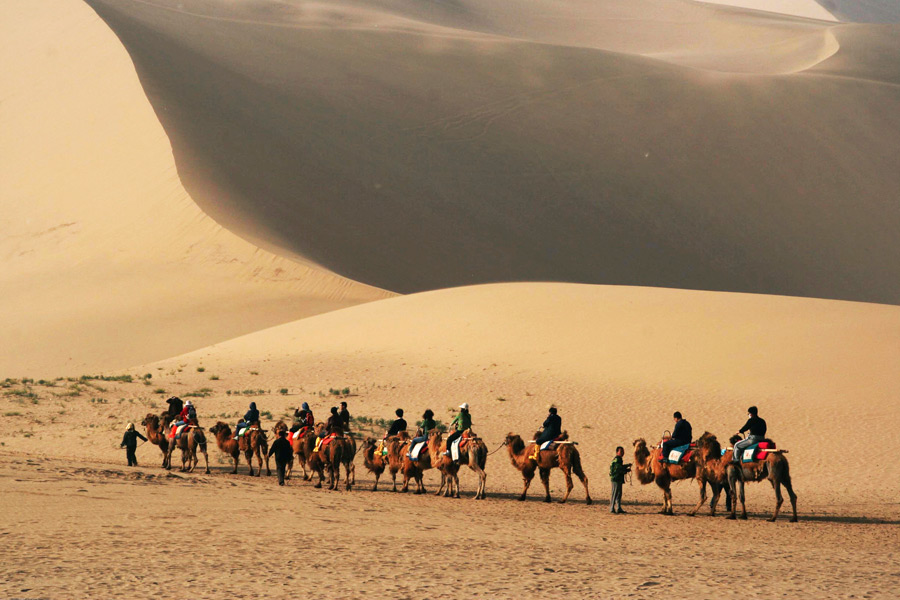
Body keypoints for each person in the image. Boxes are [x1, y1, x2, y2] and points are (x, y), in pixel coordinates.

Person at [609, 446, 631, 514]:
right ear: (617, 452)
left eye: (623, 451)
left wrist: (626, 466)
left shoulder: (619, 459)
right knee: (614, 493)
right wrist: (626, 469)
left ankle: (618, 508)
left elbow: (620, 467)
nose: (622, 453)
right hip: (615, 478)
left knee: (619, 494)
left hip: (618, 479)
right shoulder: (617, 459)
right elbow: (618, 468)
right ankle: (612, 508)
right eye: (621, 451)